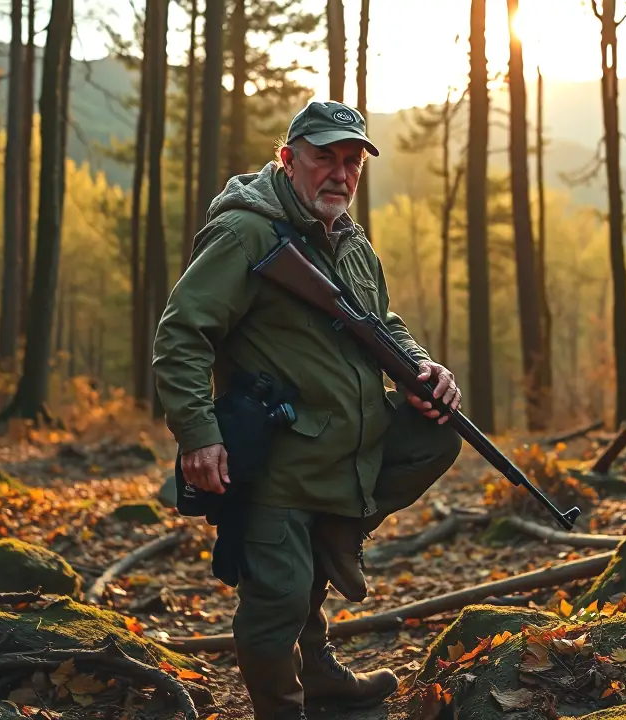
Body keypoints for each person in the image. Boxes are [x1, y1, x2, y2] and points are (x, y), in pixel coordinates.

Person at [151, 99, 463, 720]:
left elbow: (384, 324)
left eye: (352, 162)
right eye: (325, 158)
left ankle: (331, 575)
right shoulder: (246, 233)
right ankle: (283, 707)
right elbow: (181, 334)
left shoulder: (349, 240)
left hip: (344, 447)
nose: (341, 174)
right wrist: (197, 435)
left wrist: (421, 365)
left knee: (438, 438)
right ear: (289, 159)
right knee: (280, 601)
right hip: (278, 456)